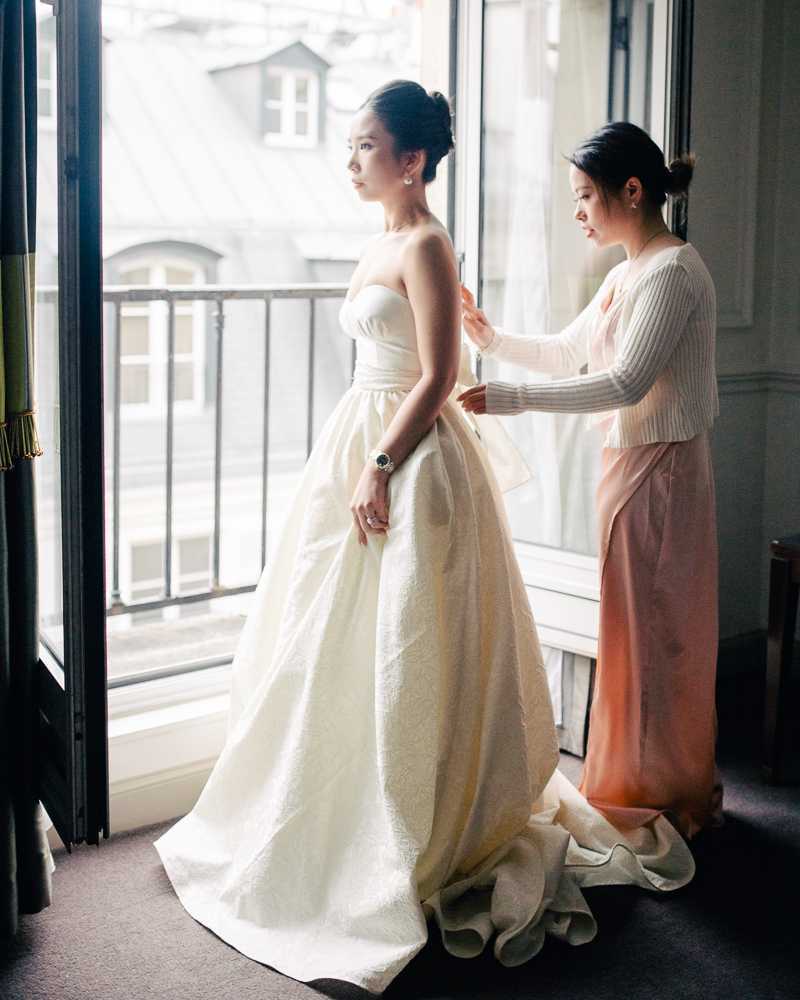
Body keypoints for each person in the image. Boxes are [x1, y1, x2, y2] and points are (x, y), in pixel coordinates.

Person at [154, 91, 694, 996]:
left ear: (412, 161)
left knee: (415, 640)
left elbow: (441, 372)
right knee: (328, 638)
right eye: (350, 146)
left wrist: (380, 461)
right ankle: (321, 811)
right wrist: (356, 455)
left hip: (408, 452)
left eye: (365, 146)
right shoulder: (376, 240)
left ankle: (418, 821)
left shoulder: (429, 244)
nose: (350, 161)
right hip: (360, 438)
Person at [458, 120, 724, 841]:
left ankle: (655, 786)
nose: (577, 211)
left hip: (661, 470)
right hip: (631, 465)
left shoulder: (673, 270)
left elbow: (625, 381)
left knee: (656, 632)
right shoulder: (626, 272)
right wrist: (492, 343)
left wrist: (509, 398)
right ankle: (636, 775)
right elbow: (572, 350)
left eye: (585, 196)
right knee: (632, 629)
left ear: (631, 192)